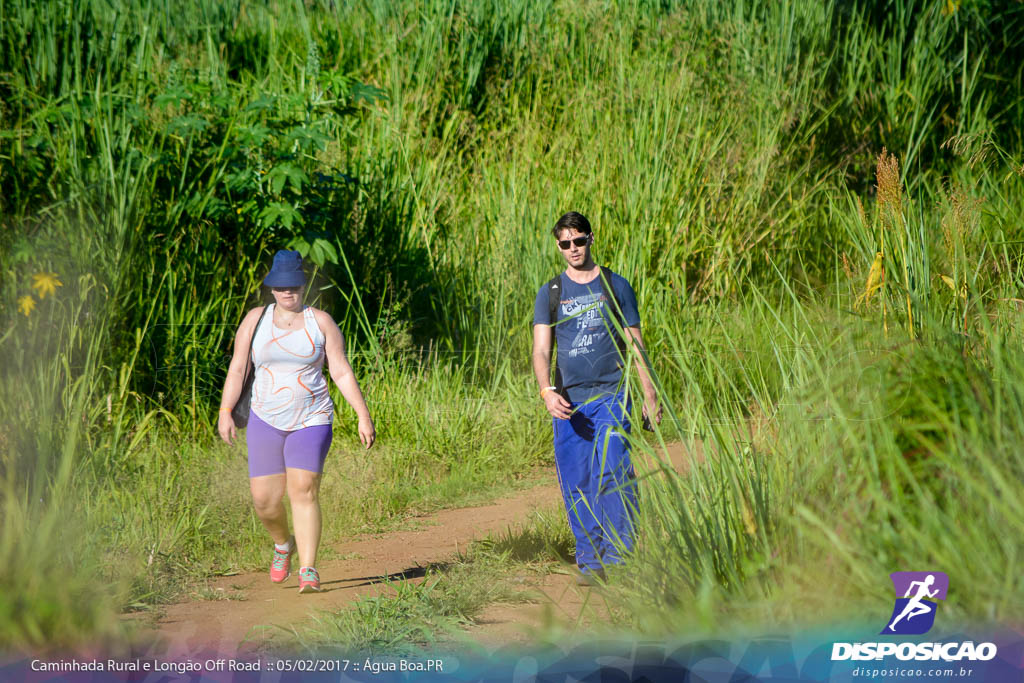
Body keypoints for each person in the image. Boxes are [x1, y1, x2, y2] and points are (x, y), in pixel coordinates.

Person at [218, 250, 375, 594]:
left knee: (302, 491)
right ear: (271, 289)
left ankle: (308, 569)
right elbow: (239, 368)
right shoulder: (254, 321)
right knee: (264, 500)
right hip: (265, 418)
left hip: (312, 418)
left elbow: (341, 370)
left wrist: (363, 415)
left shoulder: (321, 323)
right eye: (281, 287)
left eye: (294, 287)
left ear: (304, 287)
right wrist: (225, 410)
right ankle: (282, 544)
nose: (288, 293)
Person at [531, 211, 661, 586]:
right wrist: (546, 391)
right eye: (565, 243)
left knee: (613, 473)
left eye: (579, 240)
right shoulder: (551, 293)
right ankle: (590, 561)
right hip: (569, 404)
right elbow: (541, 351)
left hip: (612, 395)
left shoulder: (615, 285)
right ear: (558, 246)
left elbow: (635, 343)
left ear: (590, 238)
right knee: (578, 480)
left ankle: (621, 558)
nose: (573, 249)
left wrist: (649, 392)